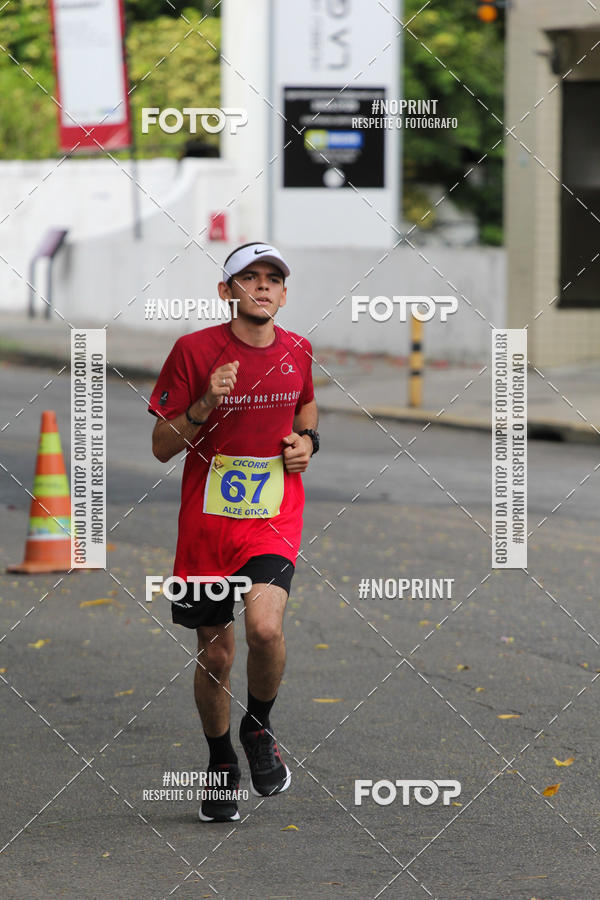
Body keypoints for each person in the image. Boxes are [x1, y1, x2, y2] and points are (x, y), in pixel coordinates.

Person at [148, 242, 319, 822]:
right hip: (207, 527)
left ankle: (258, 728)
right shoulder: (194, 351)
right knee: (216, 653)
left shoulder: (298, 350)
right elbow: (161, 447)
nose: (263, 286)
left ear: (284, 294)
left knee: (265, 629)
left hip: (272, 518)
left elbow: (306, 408)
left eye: (273, 278)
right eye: (250, 277)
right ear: (227, 292)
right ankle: (220, 759)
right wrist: (203, 404)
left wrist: (307, 442)